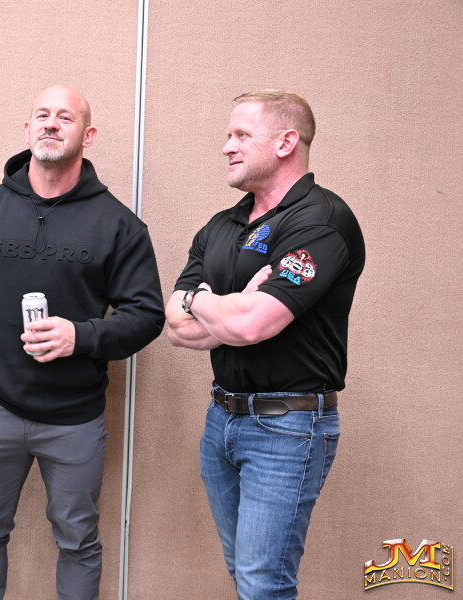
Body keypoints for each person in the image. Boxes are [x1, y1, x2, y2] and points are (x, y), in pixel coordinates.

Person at [0, 85, 165, 600]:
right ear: (27, 129)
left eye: (65, 117)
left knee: (78, 540)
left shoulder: (119, 225)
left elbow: (146, 316)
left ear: (88, 135)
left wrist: (80, 335)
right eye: (42, 115)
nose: (51, 124)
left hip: (74, 419)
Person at [166, 89, 365, 599]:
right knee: (245, 575)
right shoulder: (221, 226)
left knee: (263, 584)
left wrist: (200, 299)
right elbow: (176, 327)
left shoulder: (320, 221)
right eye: (228, 135)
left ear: (285, 142)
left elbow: (252, 325)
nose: (226, 146)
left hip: (287, 428)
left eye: (241, 135)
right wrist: (230, 306)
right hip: (221, 421)